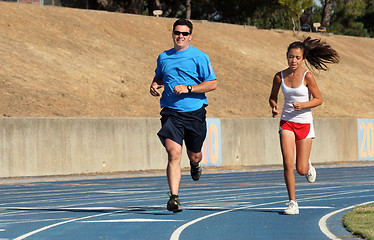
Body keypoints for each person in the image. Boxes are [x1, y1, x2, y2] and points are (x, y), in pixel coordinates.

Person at [150, 18, 217, 213]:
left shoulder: (200, 57)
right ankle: (174, 198)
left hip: (194, 112)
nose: (180, 36)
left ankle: (195, 165)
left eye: (184, 34)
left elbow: (212, 84)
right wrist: (154, 85)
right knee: (173, 153)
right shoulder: (164, 57)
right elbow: (159, 76)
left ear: (190, 36)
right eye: (177, 33)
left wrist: (189, 88)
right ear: (172, 34)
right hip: (171, 113)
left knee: (194, 155)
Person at [269, 36, 339, 215]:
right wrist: (274, 106)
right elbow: (273, 97)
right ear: (287, 56)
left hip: (304, 123)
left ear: (303, 59)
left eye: (297, 58)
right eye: (291, 57)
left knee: (301, 170)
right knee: (287, 163)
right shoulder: (279, 76)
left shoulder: (308, 76)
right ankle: (292, 202)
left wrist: (303, 105)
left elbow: (319, 99)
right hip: (287, 122)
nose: (294, 60)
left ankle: (307, 163)